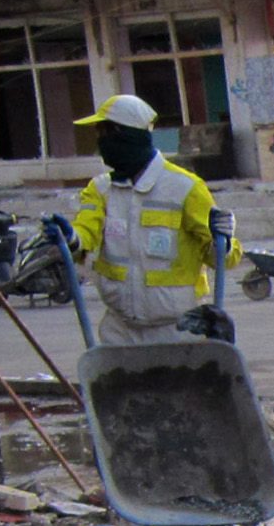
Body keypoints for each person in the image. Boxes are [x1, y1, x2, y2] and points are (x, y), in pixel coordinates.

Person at [68, 94, 240, 345]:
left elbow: (226, 260)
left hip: (178, 329)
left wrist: (223, 241)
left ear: (124, 135)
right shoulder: (101, 189)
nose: (100, 144)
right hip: (120, 330)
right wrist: (69, 238)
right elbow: (85, 232)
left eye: (103, 134)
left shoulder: (185, 187)